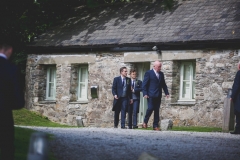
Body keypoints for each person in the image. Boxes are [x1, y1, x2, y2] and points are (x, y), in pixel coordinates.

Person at [0, 44, 25, 159]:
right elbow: (18, 99)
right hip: (4, 114)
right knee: (6, 147)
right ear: (10, 50)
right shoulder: (11, 68)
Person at [142, 61, 169, 131]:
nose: (160, 68)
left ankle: (155, 126)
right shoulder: (149, 73)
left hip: (158, 95)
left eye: (160, 66)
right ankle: (145, 122)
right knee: (150, 108)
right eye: (159, 66)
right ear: (154, 66)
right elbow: (144, 84)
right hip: (150, 95)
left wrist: (167, 93)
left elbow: (163, 84)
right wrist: (145, 93)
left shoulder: (161, 74)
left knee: (157, 110)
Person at [230, 62, 240, 134]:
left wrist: (232, 96)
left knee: (238, 112)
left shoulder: (239, 73)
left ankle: (238, 129)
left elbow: (236, 86)